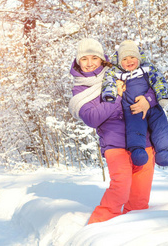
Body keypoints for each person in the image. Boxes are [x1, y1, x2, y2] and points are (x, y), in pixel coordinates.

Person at [68, 38, 158, 224]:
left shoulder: (119, 72)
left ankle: (133, 236)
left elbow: (154, 87)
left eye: (95, 57)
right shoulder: (80, 89)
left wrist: (147, 101)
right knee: (121, 188)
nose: (90, 63)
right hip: (115, 144)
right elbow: (92, 118)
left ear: (103, 59)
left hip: (143, 142)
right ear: (78, 61)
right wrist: (116, 96)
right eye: (84, 59)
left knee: (140, 199)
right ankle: (96, 229)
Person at [102, 40, 168, 167]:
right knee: (134, 127)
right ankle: (137, 151)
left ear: (138, 58)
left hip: (152, 107)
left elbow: (159, 80)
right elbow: (108, 81)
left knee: (160, 124)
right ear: (119, 62)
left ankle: (163, 151)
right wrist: (109, 95)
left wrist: (162, 96)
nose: (129, 61)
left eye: (132, 57)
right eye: (124, 59)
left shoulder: (147, 68)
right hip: (133, 108)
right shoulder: (117, 73)